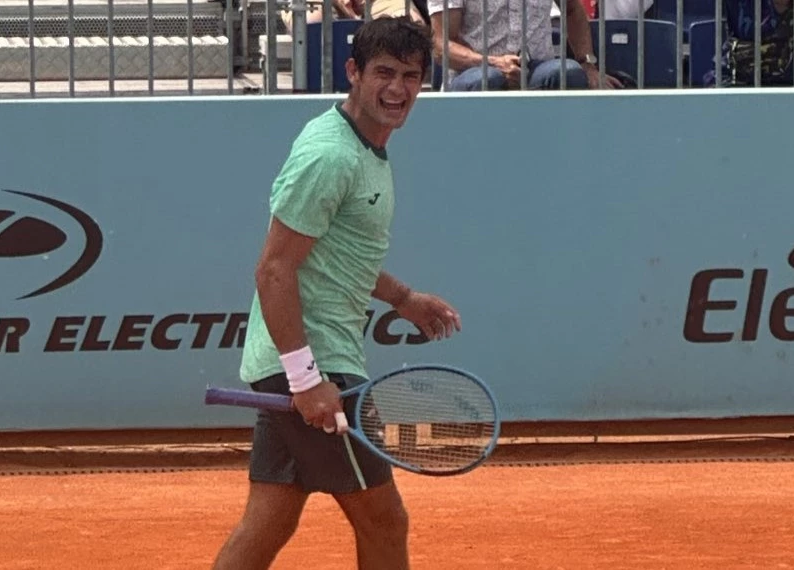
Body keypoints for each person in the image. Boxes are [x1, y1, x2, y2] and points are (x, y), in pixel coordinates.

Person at [211, 16, 462, 570]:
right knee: (383, 520)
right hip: (312, 364)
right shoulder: (331, 156)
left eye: (411, 76)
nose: (397, 89)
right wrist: (306, 379)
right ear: (354, 72)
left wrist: (403, 298)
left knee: (270, 520)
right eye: (384, 73)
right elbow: (274, 270)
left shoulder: (361, 149)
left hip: (297, 361)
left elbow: (340, 257)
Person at [428, 0, 623, 90]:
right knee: (488, 78)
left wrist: (588, 65)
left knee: (567, 72)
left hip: (536, 70)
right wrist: (493, 63)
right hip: (472, 73)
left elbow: (573, 10)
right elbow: (440, 45)